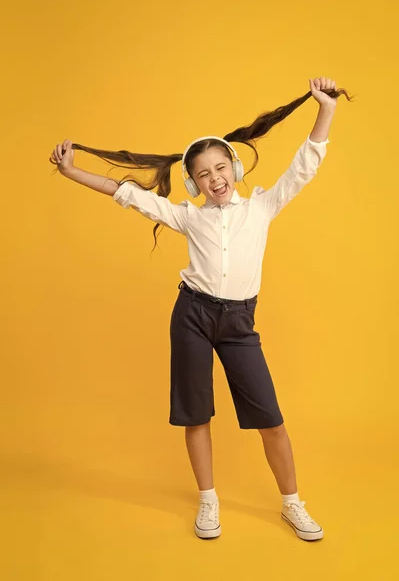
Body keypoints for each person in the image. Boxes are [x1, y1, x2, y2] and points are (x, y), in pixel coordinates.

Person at [50, 77, 353, 541]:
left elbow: (303, 166)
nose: (215, 179)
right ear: (193, 181)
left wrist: (325, 109)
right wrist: (71, 171)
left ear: (234, 167)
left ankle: (293, 503)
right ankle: (208, 500)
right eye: (204, 173)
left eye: (220, 167)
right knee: (196, 414)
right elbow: (125, 193)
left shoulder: (262, 207)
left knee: (270, 417)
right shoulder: (188, 216)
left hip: (238, 323)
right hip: (191, 316)